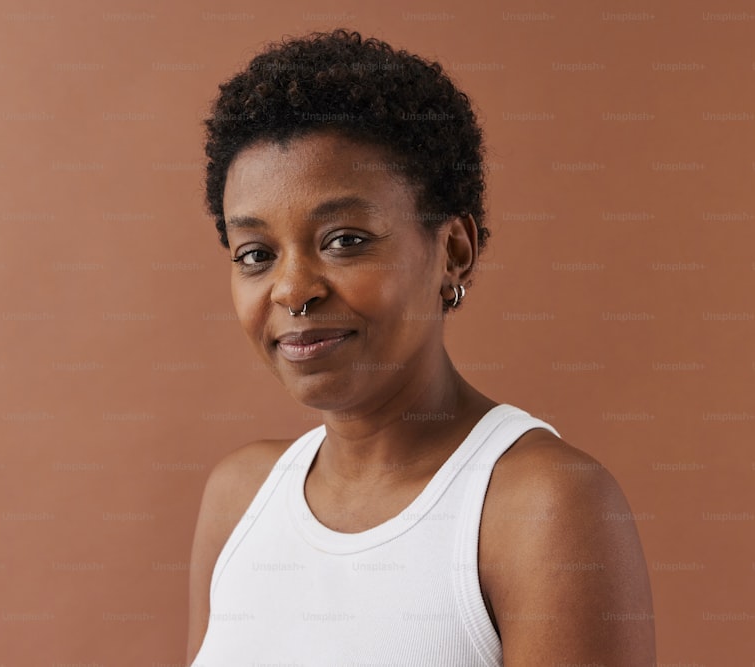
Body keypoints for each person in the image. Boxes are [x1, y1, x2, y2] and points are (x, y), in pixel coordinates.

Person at [187, 29, 655, 666]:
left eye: (345, 240)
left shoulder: (540, 507)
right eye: (256, 254)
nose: (292, 290)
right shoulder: (240, 496)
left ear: (452, 252)